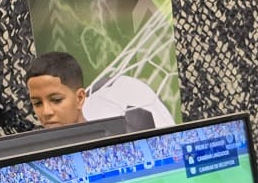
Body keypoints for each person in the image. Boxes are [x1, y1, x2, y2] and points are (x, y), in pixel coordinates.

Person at [25, 49, 164, 131]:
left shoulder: (117, 142)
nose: (46, 112)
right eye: (37, 103)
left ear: (80, 98)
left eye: (56, 100)